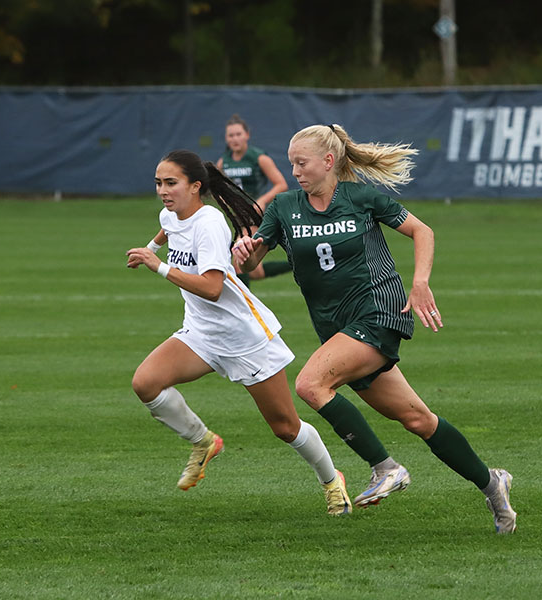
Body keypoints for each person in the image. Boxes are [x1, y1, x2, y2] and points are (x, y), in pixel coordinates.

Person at [231, 124, 517, 534]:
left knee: (311, 385)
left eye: (301, 162)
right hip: (337, 329)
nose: (294, 171)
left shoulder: (360, 198)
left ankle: (386, 467)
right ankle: (494, 485)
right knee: (419, 420)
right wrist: (245, 250)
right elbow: (251, 263)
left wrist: (420, 283)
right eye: (291, 162)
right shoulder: (283, 207)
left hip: (380, 312)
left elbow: (423, 231)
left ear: (328, 162)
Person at [126, 149, 352, 516]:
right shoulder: (170, 212)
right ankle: (203, 442)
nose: (163, 191)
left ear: (195, 186)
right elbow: (169, 225)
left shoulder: (210, 223)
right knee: (146, 383)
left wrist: (159, 266)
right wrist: (152, 246)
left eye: (171, 183)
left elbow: (213, 288)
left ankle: (331, 480)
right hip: (200, 334)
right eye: (158, 183)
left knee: (285, 427)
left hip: (244, 338)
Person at [215, 114, 290, 286]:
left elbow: (281, 184)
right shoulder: (223, 161)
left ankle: (244, 310)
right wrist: (225, 201)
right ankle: (297, 265)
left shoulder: (259, 158)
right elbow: (217, 189)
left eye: (238, 134)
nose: (235, 139)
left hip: (255, 216)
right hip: (239, 218)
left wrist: (262, 201)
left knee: (240, 258)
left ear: (247, 135)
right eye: (231, 135)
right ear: (226, 138)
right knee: (255, 271)